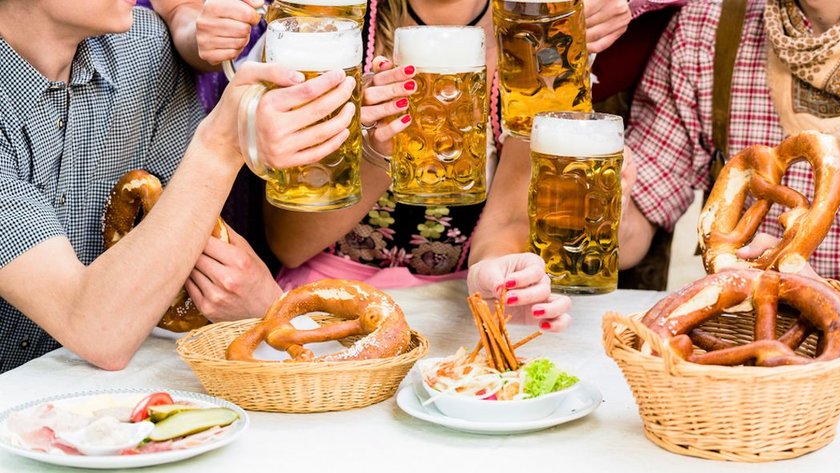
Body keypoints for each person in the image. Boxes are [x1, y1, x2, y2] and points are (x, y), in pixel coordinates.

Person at [147, 0, 631, 332]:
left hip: (458, 308)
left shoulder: (541, 35)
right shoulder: (332, 25)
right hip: (323, 303)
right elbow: (289, 244)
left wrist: (498, 271)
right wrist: (381, 150)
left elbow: (505, 221)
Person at [0, 0, 358, 372]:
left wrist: (266, 303)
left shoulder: (144, 47)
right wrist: (224, 144)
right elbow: (99, 334)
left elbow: (190, 245)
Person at [618, 0, 840, 281]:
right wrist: (610, 206)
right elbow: (631, 238)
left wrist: (819, 295)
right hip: (744, 322)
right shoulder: (707, 29)